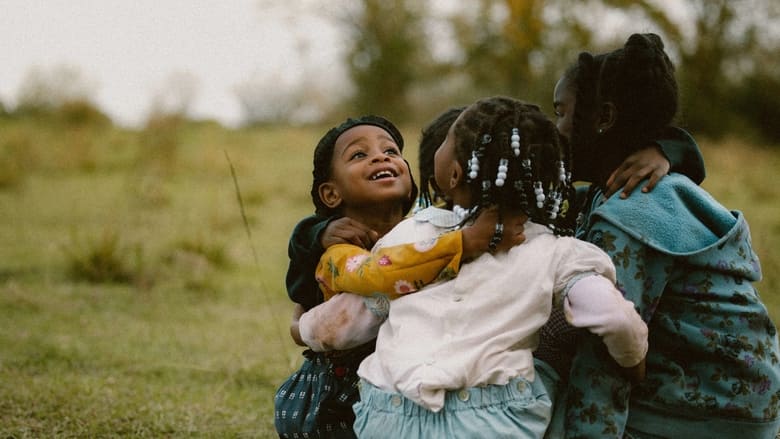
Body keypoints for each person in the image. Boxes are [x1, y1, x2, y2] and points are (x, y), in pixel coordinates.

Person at [319, 96, 647, 438]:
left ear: (454, 173)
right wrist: (633, 360)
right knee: (548, 375)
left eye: (449, 139)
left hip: (389, 414)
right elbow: (611, 315)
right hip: (492, 421)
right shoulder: (559, 253)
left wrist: (303, 329)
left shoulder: (410, 235)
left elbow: (355, 315)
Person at [552, 33, 780, 438]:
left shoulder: (627, 215)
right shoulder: (657, 185)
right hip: (745, 398)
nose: (556, 129)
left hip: (706, 409)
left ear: (603, 118)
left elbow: (605, 360)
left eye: (560, 112)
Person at [274, 114, 513, 438]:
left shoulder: (430, 227)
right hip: (347, 394)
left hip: (424, 377)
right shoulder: (337, 252)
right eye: (359, 155)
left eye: (391, 151)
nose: (380, 156)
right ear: (331, 194)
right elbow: (380, 275)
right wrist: (464, 244)